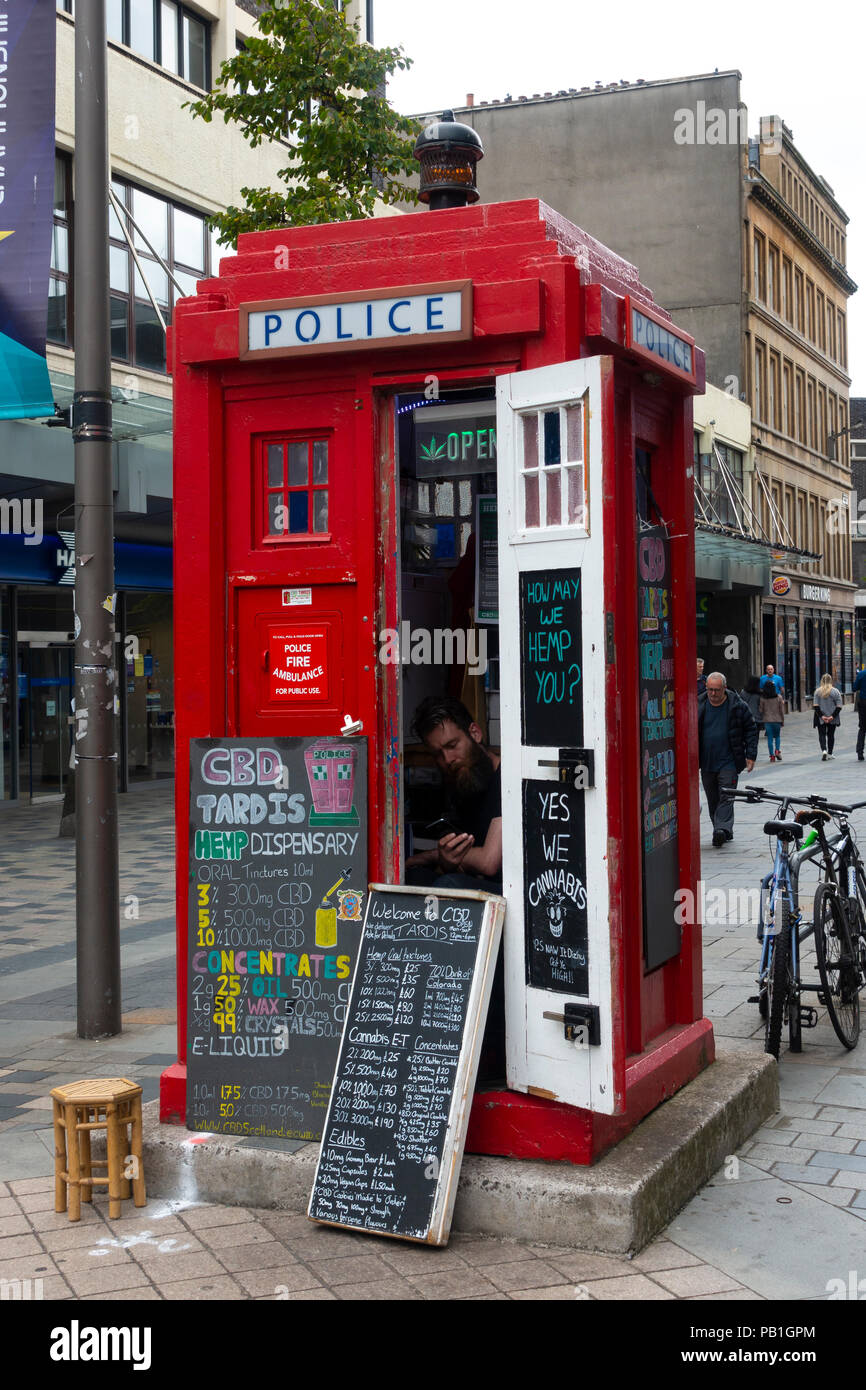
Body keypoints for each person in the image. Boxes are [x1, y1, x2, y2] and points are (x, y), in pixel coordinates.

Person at [406, 695, 502, 890]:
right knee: (414, 878)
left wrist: (431, 855)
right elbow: (459, 862)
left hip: (516, 892)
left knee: (447, 884)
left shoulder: (507, 776)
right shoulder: (464, 781)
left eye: (452, 746)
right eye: (438, 754)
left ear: (475, 733)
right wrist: (448, 861)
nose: (448, 759)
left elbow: (488, 862)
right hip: (479, 883)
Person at [698, 672, 757, 847]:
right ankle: (722, 829)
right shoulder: (698, 703)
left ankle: (721, 830)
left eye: (716, 690)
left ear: (724, 688)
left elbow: (751, 729)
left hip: (729, 761)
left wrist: (750, 755)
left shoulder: (737, 705)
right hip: (706, 761)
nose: (713, 694)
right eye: (710, 690)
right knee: (713, 798)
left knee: (726, 795)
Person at [813, 672, 842, 760]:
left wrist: (822, 716)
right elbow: (839, 706)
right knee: (831, 735)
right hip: (832, 717)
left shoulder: (817, 691)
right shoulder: (836, 691)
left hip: (820, 717)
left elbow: (816, 706)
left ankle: (824, 750)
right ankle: (830, 753)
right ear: (831, 681)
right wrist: (832, 716)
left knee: (821, 734)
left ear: (822, 680)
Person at [759, 679, 785, 762]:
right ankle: (777, 750)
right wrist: (782, 720)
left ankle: (772, 756)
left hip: (767, 720)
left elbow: (760, 710)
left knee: (770, 738)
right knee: (777, 736)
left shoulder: (762, 698)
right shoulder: (779, 697)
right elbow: (781, 710)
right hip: (777, 720)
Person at [740, 676, 764, 753]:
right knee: (755, 739)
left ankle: (745, 752)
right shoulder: (760, 694)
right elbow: (761, 707)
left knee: (745, 737)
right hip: (756, 719)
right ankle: (752, 754)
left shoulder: (743, 692)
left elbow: (740, 704)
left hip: (745, 718)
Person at [854, 665, 866, 761]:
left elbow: (855, 688)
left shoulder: (861, 674)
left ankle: (860, 752)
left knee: (862, 728)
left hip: (863, 703)